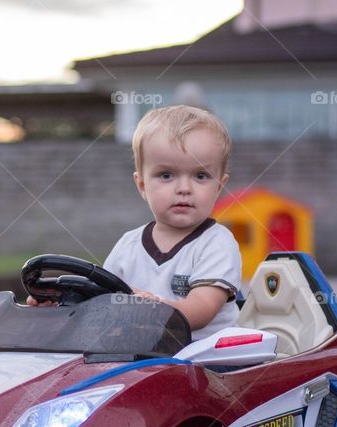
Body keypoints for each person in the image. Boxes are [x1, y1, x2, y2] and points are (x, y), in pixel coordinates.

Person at [29, 105, 241, 342]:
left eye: (200, 176)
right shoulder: (128, 245)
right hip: (143, 354)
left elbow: (201, 309)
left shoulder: (216, 243)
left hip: (207, 360)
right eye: (166, 175)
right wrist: (62, 308)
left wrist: (150, 309)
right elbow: (101, 302)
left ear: (219, 186)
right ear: (142, 185)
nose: (184, 188)